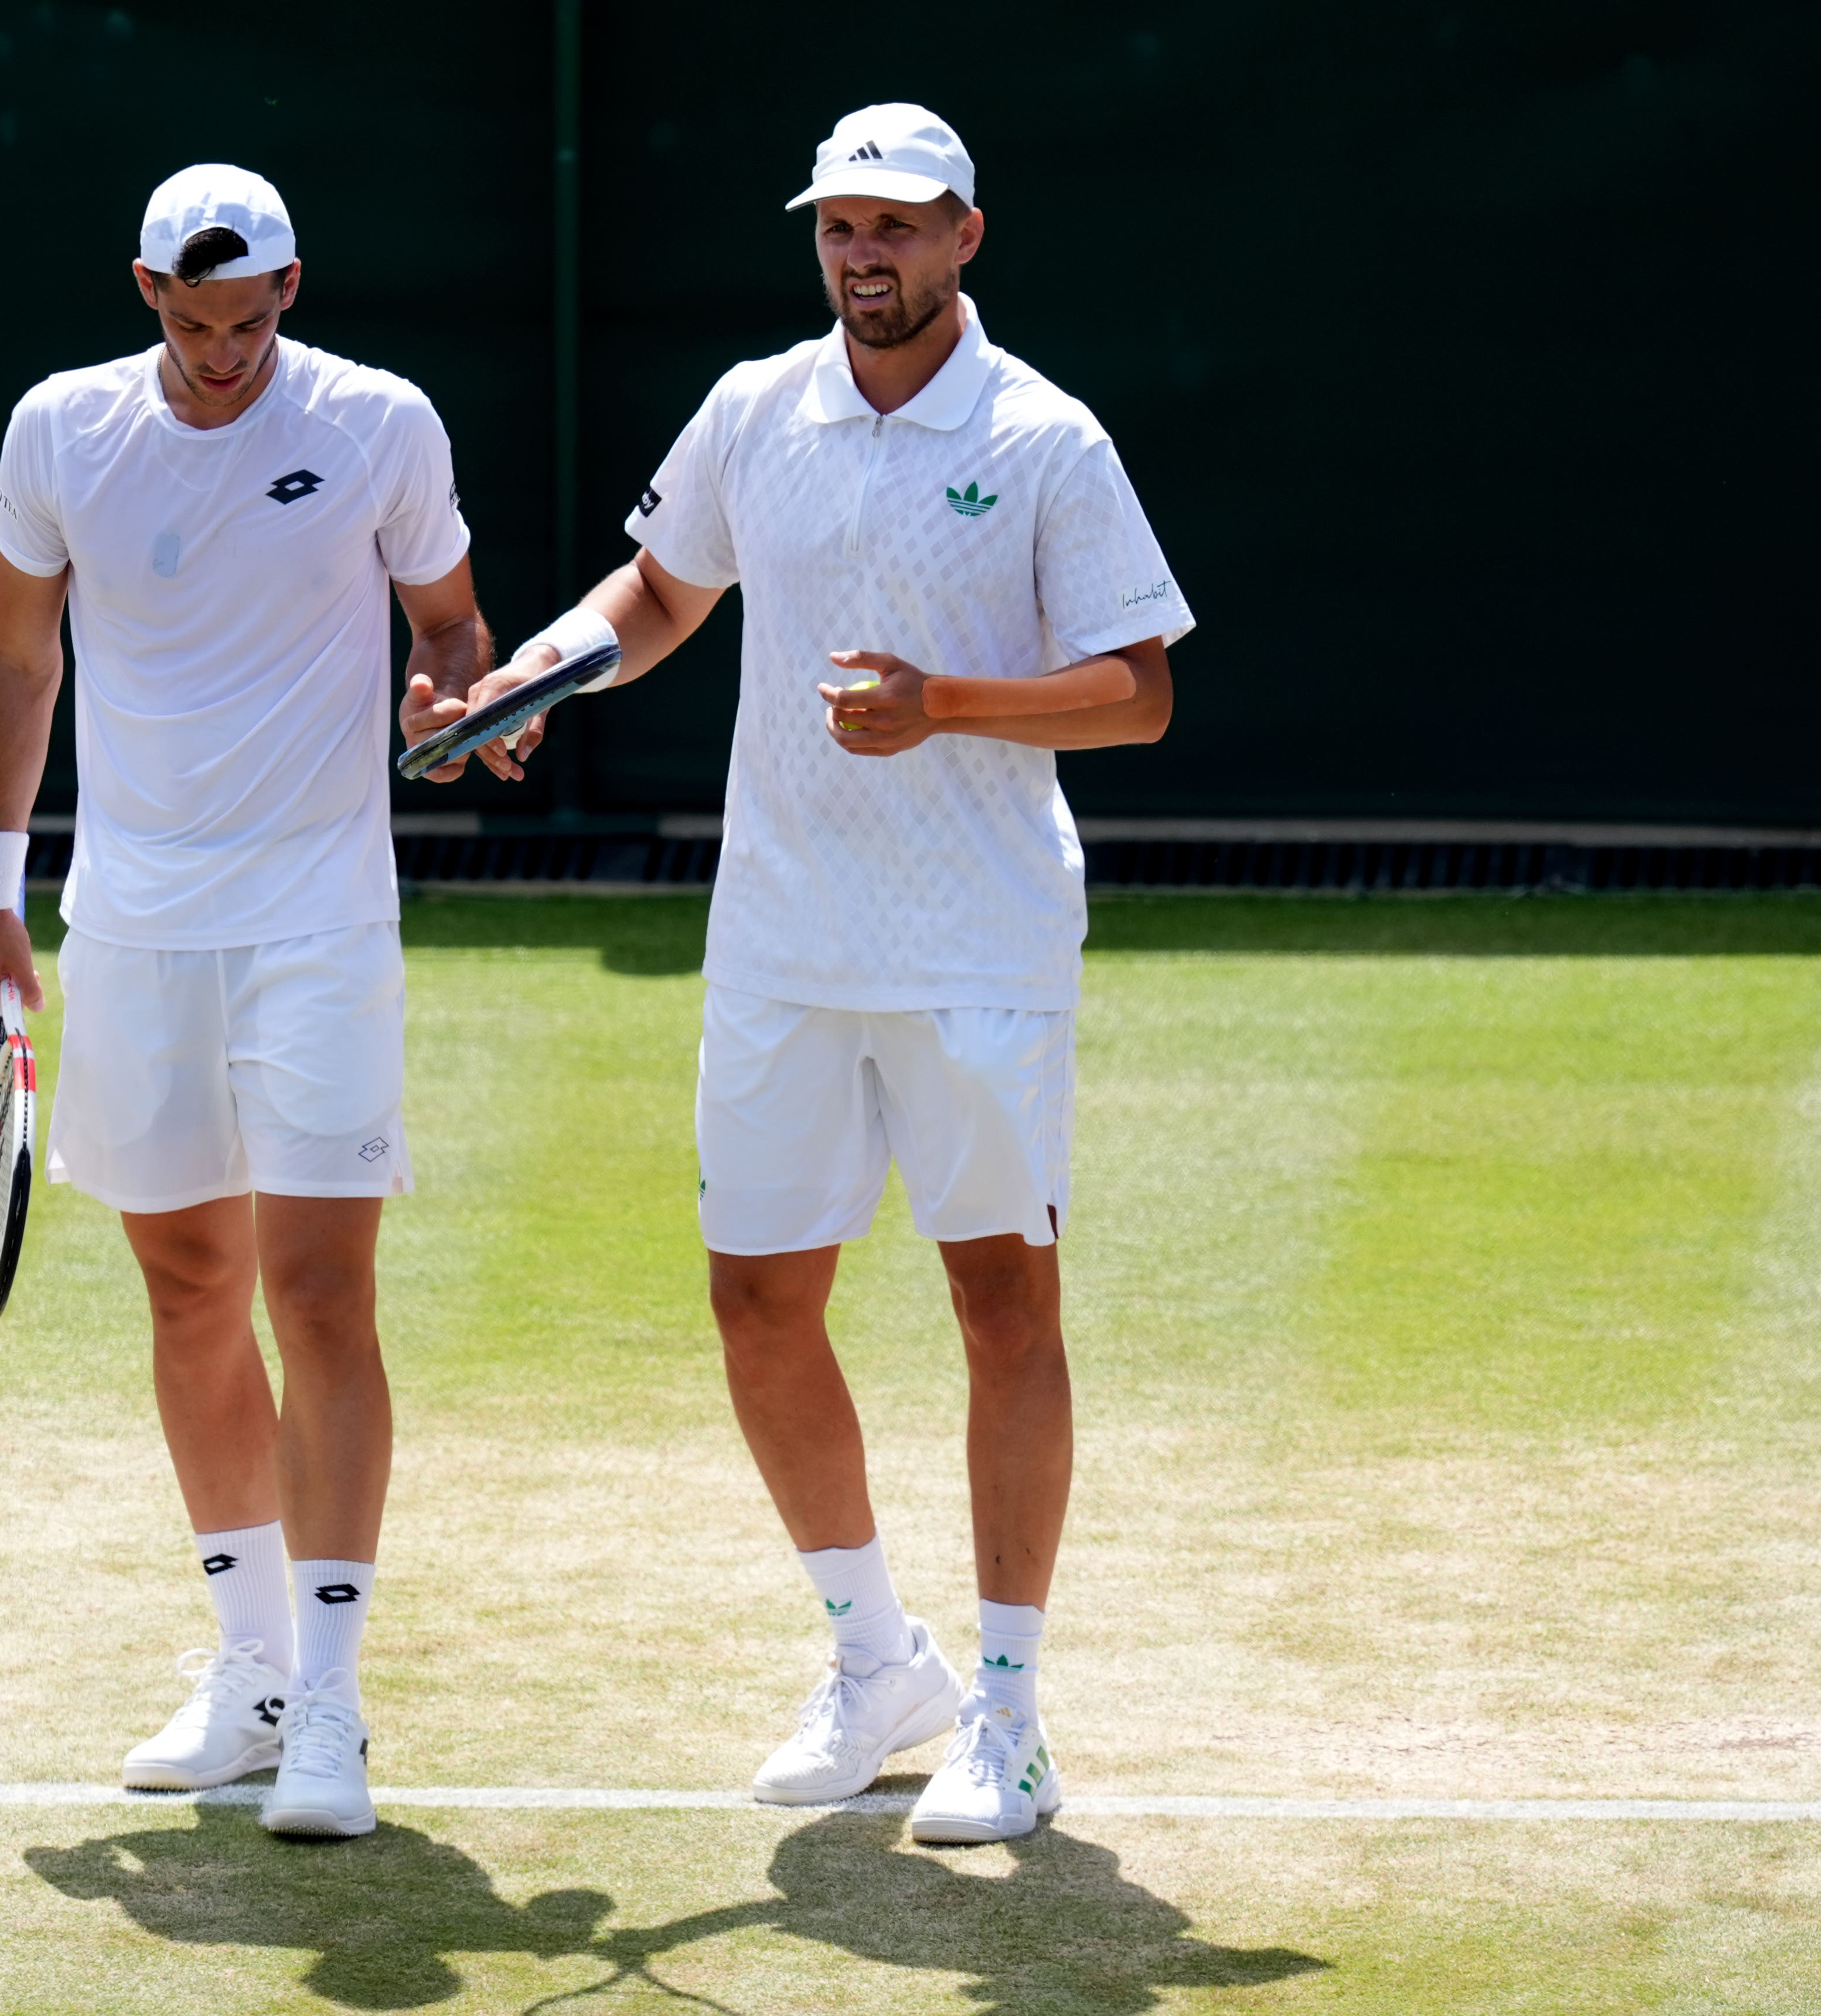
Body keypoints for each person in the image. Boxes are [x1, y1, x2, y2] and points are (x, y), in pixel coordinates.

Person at [445, 104, 1188, 1843]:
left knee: (1005, 1312)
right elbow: (655, 593)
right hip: (781, 943)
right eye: (841, 229)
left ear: (965, 242)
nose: (867, 257)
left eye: (901, 228)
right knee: (758, 1304)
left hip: (978, 949)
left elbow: (1140, 690)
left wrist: (948, 704)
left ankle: (1010, 1709)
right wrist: (523, 687)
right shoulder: (753, 407)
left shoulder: (1047, 438)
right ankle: (880, 1666)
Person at [0, 163, 501, 1839]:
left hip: (321, 922)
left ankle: (332, 1704)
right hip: (134, 923)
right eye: (194, 325)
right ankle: (249, 1668)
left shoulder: (384, 424)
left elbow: (455, 626)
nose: (223, 354)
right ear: (144, 293)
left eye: (252, 322)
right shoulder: (61, 430)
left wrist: (466, 697)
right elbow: (18, 656)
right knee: (189, 1288)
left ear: (290, 290)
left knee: (321, 1291)